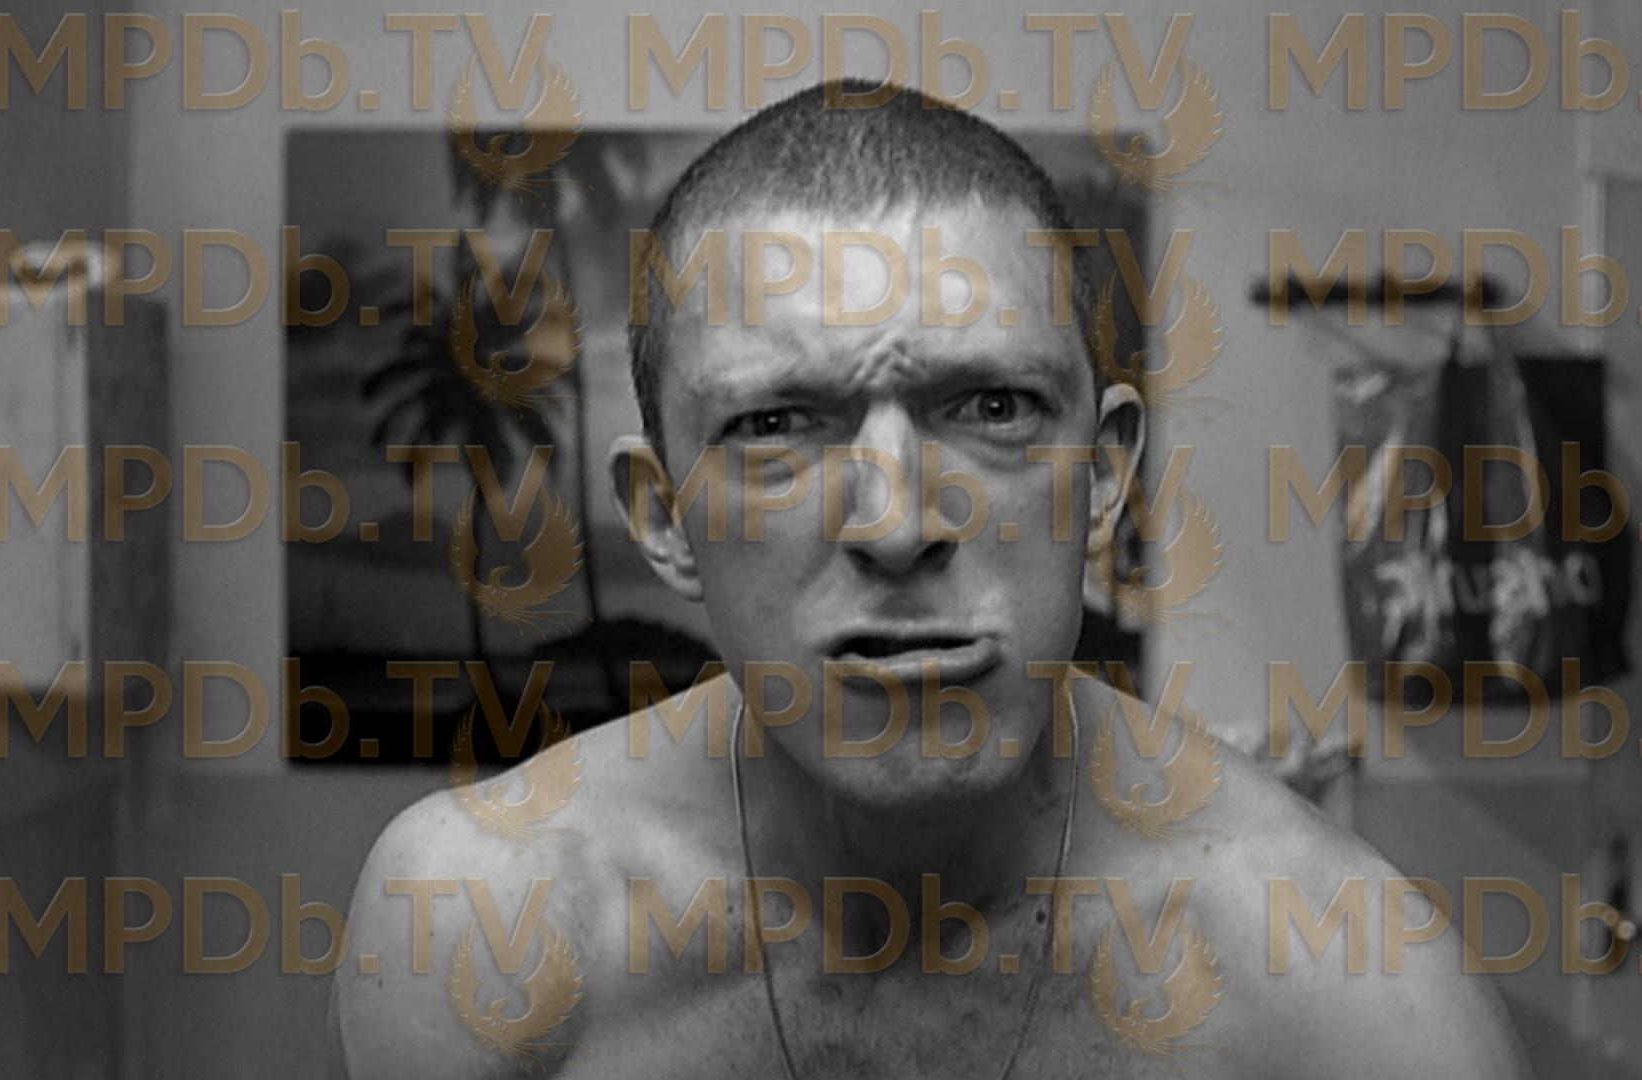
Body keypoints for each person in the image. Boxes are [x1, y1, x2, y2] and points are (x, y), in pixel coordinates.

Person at [335, 81, 1531, 1078]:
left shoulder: (1341, 991)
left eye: (993, 407)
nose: (898, 524)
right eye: (777, 423)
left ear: (1105, 475)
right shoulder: (484, 924)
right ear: (663, 516)